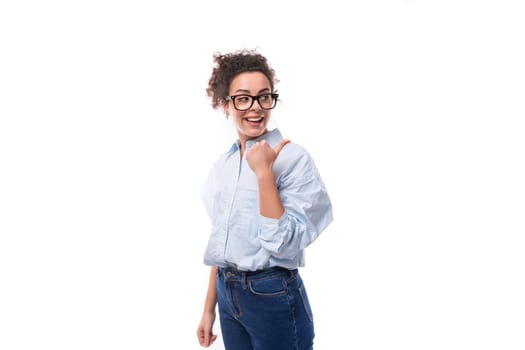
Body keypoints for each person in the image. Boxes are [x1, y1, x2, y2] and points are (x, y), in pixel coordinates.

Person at [196, 48, 333, 350]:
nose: (255, 107)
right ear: (224, 104)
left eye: (264, 96)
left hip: (272, 293)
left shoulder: (294, 158)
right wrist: (209, 309)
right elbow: (222, 243)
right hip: (228, 294)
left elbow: (284, 244)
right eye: (243, 98)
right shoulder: (224, 166)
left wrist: (264, 175)